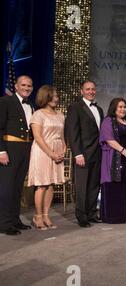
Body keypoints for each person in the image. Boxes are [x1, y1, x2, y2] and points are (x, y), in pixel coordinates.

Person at [65, 80, 104, 228]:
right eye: (87, 89)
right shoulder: (75, 108)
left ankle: (92, 213)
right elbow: (72, 132)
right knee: (82, 187)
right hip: (83, 154)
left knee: (94, 186)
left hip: (98, 153)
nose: (91, 91)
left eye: (93, 89)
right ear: (81, 91)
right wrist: (77, 154)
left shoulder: (99, 109)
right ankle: (82, 216)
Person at [28, 85, 66, 230]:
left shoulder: (60, 115)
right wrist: (51, 153)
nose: (56, 99)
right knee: (42, 185)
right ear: (46, 97)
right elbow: (37, 137)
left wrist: (63, 149)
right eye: (53, 96)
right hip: (42, 151)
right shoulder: (38, 114)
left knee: (51, 184)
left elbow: (62, 136)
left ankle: (45, 215)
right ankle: (37, 216)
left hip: (57, 151)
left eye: (57, 96)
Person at [0, 75, 34, 235]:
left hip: (25, 149)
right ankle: (4, 223)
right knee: (7, 188)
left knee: (18, 187)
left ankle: (15, 220)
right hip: (10, 149)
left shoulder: (31, 106)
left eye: (29, 86)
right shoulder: (5, 101)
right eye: (23, 85)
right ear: (16, 86)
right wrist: (1, 151)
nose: (26, 88)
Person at [99, 98, 126, 224]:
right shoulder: (108, 121)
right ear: (114, 108)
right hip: (113, 159)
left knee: (124, 186)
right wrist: (124, 151)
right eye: (120, 107)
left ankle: (124, 215)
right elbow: (109, 139)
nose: (123, 109)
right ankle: (112, 216)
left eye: (124, 107)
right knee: (113, 186)